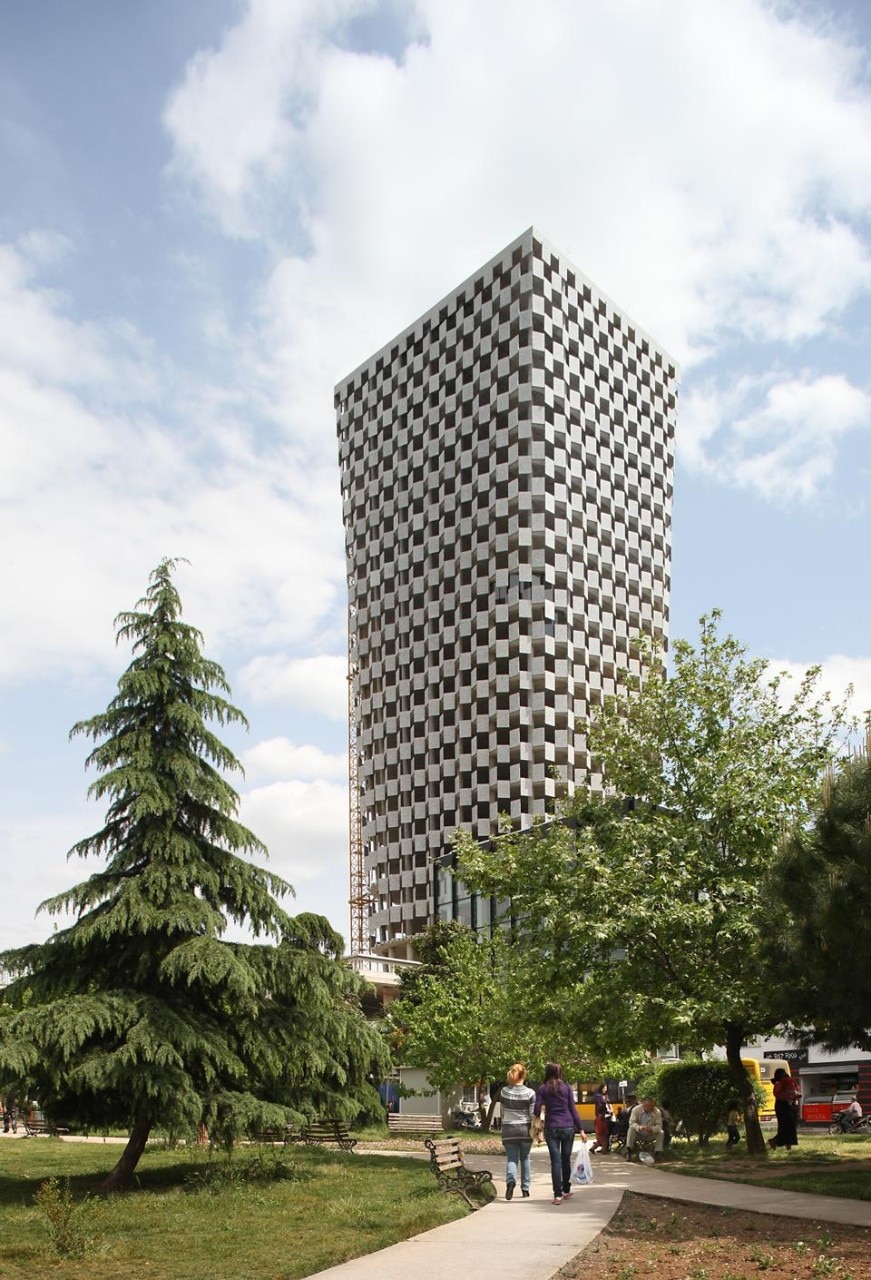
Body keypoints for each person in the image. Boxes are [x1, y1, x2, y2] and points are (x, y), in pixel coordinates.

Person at [534, 1062, 584, 1205]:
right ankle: (566, 1191)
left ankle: (557, 1195)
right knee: (565, 1160)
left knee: (555, 1162)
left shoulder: (543, 1088)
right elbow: (573, 1109)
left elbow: (537, 1110)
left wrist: (544, 1106)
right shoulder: (567, 1087)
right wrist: (581, 1129)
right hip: (568, 1126)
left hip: (552, 1127)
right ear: (560, 1073)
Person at [499, 1063, 536, 1200]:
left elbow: (502, 1112)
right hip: (525, 1130)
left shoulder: (504, 1091)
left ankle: (510, 1182)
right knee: (525, 1158)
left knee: (512, 1159)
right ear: (524, 1075)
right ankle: (525, 1189)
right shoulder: (530, 1093)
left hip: (509, 1129)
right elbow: (532, 1114)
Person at [769, 1067, 801, 1150]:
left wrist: (794, 1096)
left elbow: (793, 1091)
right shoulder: (781, 1082)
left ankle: (787, 1144)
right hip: (784, 1105)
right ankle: (776, 1142)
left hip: (789, 1105)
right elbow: (779, 1093)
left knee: (790, 1126)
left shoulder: (788, 1082)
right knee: (786, 1126)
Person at [626, 1095, 664, 1161]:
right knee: (631, 1129)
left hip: (650, 1134)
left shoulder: (657, 1112)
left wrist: (652, 1129)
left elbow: (659, 1126)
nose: (652, 1108)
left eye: (652, 1106)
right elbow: (631, 1123)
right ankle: (629, 1152)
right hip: (638, 1134)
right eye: (650, 1106)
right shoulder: (635, 1110)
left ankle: (658, 1153)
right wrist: (638, 1127)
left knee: (661, 1132)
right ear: (644, 1105)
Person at [593, 1082, 615, 1154]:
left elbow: (609, 1103)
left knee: (605, 1133)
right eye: (604, 1088)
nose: (605, 1089)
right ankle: (604, 1149)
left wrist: (611, 1109)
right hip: (602, 1115)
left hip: (608, 1115)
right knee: (603, 1133)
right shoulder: (598, 1096)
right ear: (601, 1088)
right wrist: (606, 1110)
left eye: (606, 1088)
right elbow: (600, 1106)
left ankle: (600, 1148)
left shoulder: (606, 1096)